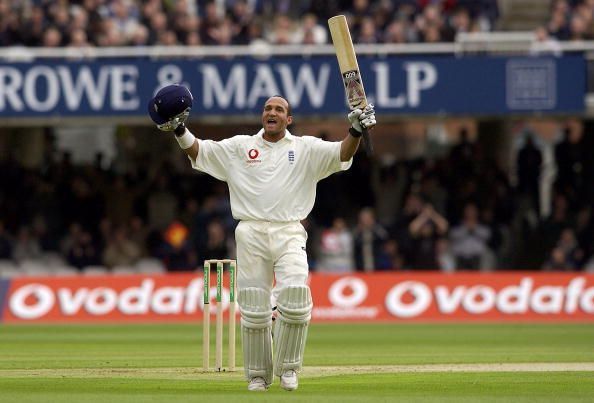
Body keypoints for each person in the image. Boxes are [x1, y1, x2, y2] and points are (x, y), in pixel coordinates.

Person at [148, 84, 376, 392]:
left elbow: (342, 153)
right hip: (250, 231)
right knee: (254, 308)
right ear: (262, 116)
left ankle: (289, 369)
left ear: (289, 119)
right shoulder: (240, 147)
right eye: (268, 108)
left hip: (289, 230)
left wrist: (356, 129)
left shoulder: (306, 148)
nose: (272, 112)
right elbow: (199, 151)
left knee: (295, 296)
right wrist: (179, 129)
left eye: (279, 109)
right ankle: (257, 375)